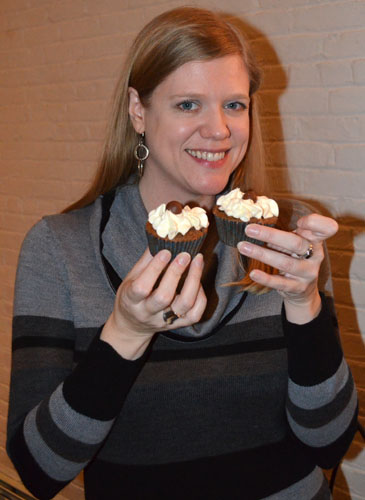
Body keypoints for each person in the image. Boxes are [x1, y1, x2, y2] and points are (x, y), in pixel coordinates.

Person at [7, 7, 358, 500]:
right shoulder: (61, 248)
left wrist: (306, 307)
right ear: (138, 111)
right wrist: (124, 334)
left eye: (234, 105)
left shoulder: (287, 238)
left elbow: (330, 442)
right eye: (189, 105)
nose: (219, 130)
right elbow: (40, 470)